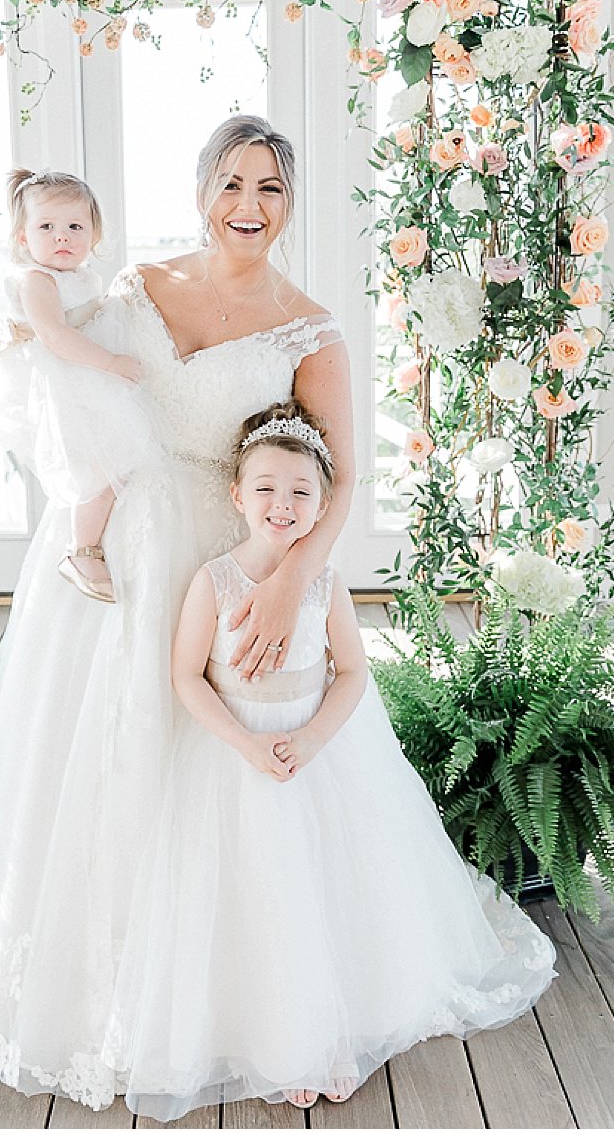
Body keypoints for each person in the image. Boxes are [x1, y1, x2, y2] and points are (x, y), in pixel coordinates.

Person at [0, 116, 354, 1111]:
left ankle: (253, 1000)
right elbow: (66, 380)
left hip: (233, 552)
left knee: (226, 771)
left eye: (269, 189)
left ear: (288, 205)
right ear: (201, 188)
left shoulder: (310, 327)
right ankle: (106, 997)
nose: (248, 207)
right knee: (106, 756)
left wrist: (288, 582)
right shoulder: (138, 289)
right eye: (232, 184)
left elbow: (338, 478)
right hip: (125, 549)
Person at [104, 400, 557, 1122]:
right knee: (257, 895)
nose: (282, 505)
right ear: (236, 495)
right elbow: (186, 677)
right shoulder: (213, 583)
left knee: (325, 888)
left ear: (321, 505)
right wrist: (246, 743)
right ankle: (276, 1039)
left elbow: (352, 673)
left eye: (300, 492)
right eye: (266, 488)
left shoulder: (324, 584)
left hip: (317, 754)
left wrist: (313, 738)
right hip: (234, 761)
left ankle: (332, 1030)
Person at [0, 167, 154, 602]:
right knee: (97, 467)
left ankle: (101, 541)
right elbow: (56, 337)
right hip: (63, 381)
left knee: (117, 460)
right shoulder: (36, 280)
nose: (62, 237)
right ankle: (82, 551)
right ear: (23, 239)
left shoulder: (77, 276)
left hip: (82, 374)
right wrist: (111, 361)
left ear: (94, 233)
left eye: (75, 227)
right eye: (46, 227)